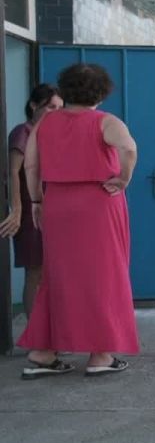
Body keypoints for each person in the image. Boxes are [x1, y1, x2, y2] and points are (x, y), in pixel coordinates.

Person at [17, 63, 139, 379]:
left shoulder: (45, 124)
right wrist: (123, 179)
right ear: (101, 91)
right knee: (103, 275)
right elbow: (128, 148)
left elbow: (30, 166)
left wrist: (37, 200)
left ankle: (44, 352)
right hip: (98, 203)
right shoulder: (105, 122)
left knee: (58, 276)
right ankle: (100, 354)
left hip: (57, 202)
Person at [0, 84, 63, 317]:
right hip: (29, 213)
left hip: (51, 211)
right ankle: (36, 336)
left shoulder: (52, 135)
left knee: (50, 273)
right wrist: (16, 210)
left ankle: (48, 334)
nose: (56, 112)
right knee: (35, 272)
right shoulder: (22, 132)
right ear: (34, 106)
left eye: (60, 108)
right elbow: (11, 173)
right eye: (50, 107)